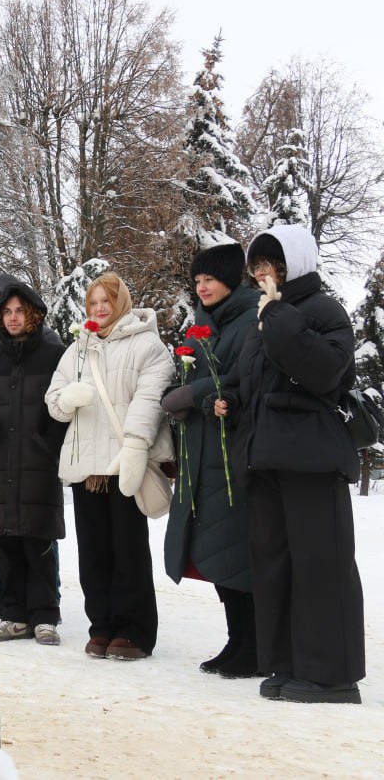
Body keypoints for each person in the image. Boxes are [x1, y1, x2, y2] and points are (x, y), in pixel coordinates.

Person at [215, 225, 365, 704]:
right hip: (266, 460)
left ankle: (332, 676)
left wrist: (278, 316)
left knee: (321, 564)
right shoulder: (265, 319)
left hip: (312, 460)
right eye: (257, 267)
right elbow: (247, 382)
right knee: (275, 566)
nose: (263, 275)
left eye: (272, 265)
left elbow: (323, 371)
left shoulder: (323, 311)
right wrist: (225, 401)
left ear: (294, 264)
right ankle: (288, 663)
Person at [46, 272, 173, 660]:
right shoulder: (77, 350)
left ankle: (134, 631)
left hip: (124, 463)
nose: (99, 309)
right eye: (93, 302)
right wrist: (67, 399)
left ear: (121, 303)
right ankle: (101, 626)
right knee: (94, 554)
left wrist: (135, 445)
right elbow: (52, 400)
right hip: (87, 468)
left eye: (106, 301)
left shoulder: (147, 345)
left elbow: (149, 399)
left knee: (128, 552)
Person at [160, 244, 260, 678]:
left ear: (232, 280)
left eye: (210, 280)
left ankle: (254, 645)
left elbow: (244, 379)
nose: (201, 287)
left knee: (237, 551)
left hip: (231, 452)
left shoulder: (252, 320)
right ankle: (238, 640)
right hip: (199, 452)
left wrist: (196, 395)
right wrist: (180, 392)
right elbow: (190, 374)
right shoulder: (199, 324)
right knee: (216, 551)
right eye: (197, 280)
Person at [0, 281, 69, 646]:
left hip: (38, 463)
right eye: (6, 312)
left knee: (37, 542)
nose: (12, 318)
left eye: (19, 311)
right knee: (6, 545)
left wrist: (47, 445)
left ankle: (44, 617)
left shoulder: (56, 356)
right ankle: (13, 616)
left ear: (33, 313)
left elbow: (65, 410)